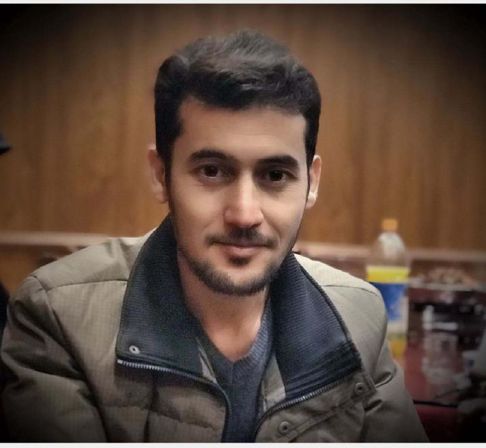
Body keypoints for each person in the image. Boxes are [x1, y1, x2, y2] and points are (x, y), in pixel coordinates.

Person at [0, 30, 427, 442]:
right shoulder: (59, 316)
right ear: (161, 174)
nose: (244, 214)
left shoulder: (360, 316)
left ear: (311, 182)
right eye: (211, 171)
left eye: (275, 175)